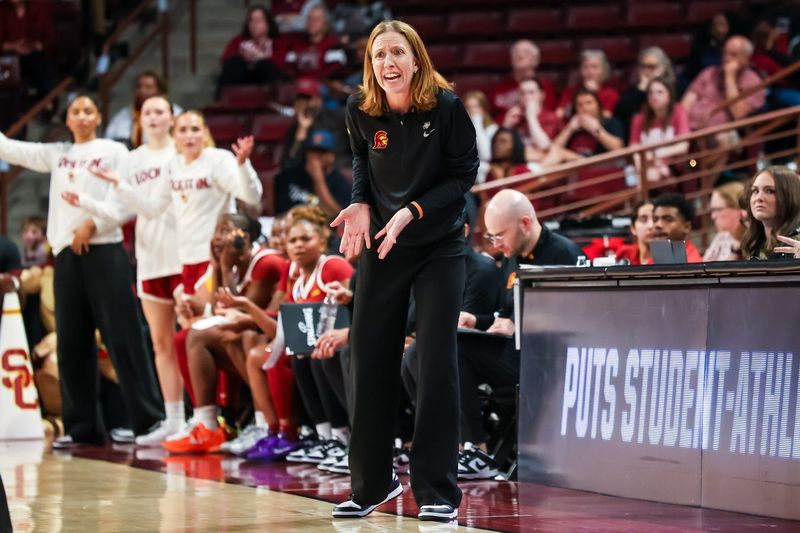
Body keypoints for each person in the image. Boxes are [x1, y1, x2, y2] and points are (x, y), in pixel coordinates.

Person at [331, 20, 478, 522]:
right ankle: (372, 484)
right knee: (367, 356)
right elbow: (359, 156)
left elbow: (464, 174)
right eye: (378, 55)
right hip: (383, 243)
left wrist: (411, 210)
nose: (388, 64)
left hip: (437, 244)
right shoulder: (359, 108)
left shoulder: (446, 107)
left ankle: (437, 491)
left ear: (417, 59)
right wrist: (359, 203)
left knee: (435, 362)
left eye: (397, 53)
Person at [0, 95, 164, 447]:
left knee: (123, 337)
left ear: (99, 117)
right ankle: (82, 427)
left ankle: (148, 421)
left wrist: (91, 223)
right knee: (72, 340)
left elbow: (125, 199)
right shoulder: (59, 153)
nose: (83, 116)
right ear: (69, 119)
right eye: (76, 111)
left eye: (89, 110)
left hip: (104, 249)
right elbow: (12, 149)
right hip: (66, 255)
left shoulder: (115, 151)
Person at [62, 95, 186, 446]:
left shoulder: (183, 151)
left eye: (161, 110)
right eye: (147, 111)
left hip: (186, 254)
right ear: (138, 119)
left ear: (171, 117)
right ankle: (173, 420)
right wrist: (86, 206)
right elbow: (121, 210)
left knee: (190, 338)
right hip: (150, 255)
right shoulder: (131, 160)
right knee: (161, 342)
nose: (154, 117)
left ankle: (204, 416)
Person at [459, 189, 581, 478]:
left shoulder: (565, 254)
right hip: (513, 350)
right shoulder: (513, 255)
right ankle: (467, 447)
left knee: (455, 349)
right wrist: (476, 320)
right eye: (490, 236)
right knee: (447, 344)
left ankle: (476, 450)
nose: (495, 243)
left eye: (499, 235)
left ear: (525, 223)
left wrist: (522, 326)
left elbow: (577, 321)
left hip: (545, 360)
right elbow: (505, 314)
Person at [681, 36, 765, 132]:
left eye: (733, 54)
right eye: (725, 53)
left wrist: (730, 77)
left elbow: (738, 114)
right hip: (691, 128)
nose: (726, 58)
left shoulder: (754, 82)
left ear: (746, 58)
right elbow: (686, 104)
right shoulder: (709, 73)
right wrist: (682, 127)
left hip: (722, 133)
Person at [274, 128, 351, 218]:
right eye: (313, 152)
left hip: (323, 228)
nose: (317, 158)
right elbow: (278, 212)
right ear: (306, 154)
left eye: (322, 152)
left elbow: (337, 216)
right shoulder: (288, 176)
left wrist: (318, 179)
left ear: (332, 156)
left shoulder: (339, 181)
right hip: (292, 226)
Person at [630, 77, 690, 184]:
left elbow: (683, 146)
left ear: (669, 95)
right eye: (650, 93)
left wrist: (655, 156)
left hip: (676, 166)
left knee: (692, 163)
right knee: (637, 177)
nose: (654, 96)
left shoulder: (679, 111)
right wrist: (641, 165)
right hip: (646, 166)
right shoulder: (639, 118)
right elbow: (634, 149)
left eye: (660, 92)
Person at [542, 89, 624, 167]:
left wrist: (596, 130)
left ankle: (532, 174)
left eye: (589, 103)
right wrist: (569, 129)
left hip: (600, 167)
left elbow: (618, 149)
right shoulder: (573, 127)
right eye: (580, 105)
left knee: (559, 153)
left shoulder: (610, 122)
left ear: (598, 105)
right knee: (538, 155)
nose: (584, 108)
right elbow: (552, 150)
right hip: (575, 169)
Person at [217, 5, 283, 100]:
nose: (254, 24)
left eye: (259, 20)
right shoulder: (238, 40)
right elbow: (225, 59)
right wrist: (244, 57)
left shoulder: (277, 42)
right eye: (251, 20)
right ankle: (222, 103)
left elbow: (280, 63)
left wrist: (260, 56)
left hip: (265, 78)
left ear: (268, 24)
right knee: (235, 63)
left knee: (265, 64)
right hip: (242, 76)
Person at [105, 71, 183, 148]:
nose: (142, 91)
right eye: (139, 87)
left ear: (160, 91)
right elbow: (108, 141)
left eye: (148, 87)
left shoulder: (176, 113)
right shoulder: (122, 116)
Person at [615, 47, 675, 143]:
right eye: (643, 66)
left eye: (652, 67)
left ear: (663, 68)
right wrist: (641, 91)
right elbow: (622, 112)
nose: (647, 71)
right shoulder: (633, 93)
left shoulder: (673, 89)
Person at [488, 40, 557, 123]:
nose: (520, 55)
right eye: (516, 52)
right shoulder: (498, 89)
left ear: (536, 60)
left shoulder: (546, 86)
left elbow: (550, 118)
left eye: (526, 52)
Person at [0, 0, 54, 102]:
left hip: (33, 54)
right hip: (8, 58)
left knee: (38, 63)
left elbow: (50, 39)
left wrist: (35, 45)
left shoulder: (39, 6)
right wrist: (14, 46)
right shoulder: (2, 10)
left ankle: (48, 104)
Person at [741, 166, 800, 260]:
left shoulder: (797, 242)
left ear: (790, 196)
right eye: (755, 191)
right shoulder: (756, 243)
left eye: (769, 191)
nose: (758, 198)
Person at [280, 5, 348, 82]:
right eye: (310, 19)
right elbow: (288, 68)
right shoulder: (295, 43)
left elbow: (335, 71)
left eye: (316, 19)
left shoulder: (334, 44)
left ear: (325, 24)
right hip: (298, 85)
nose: (312, 22)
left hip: (323, 87)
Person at [502, 79, 561, 162]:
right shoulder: (515, 118)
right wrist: (506, 126)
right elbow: (499, 150)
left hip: (544, 165)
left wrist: (531, 117)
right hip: (518, 164)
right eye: (522, 93)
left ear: (542, 95)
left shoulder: (551, 117)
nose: (526, 96)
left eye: (531, 92)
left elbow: (544, 147)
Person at [556, 50, 619, 120]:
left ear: (603, 70)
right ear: (580, 70)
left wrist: (592, 93)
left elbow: (607, 116)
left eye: (594, 67)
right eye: (585, 67)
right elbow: (559, 114)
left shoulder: (611, 94)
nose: (590, 72)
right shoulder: (570, 91)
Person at [651, 193, 704, 263]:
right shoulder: (656, 257)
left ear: (687, 227)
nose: (658, 225)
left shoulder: (692, 266)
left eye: (668, 219)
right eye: (655, 220)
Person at [704, 181, 747, 261]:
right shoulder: (721, 237)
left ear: (738, 208)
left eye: (718, 210)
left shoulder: (752, 241)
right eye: (712, 211)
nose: (713, 216)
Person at [463, 91, 498, 184]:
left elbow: (486, 155)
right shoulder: (460, 130)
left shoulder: (492, 129)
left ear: (484, 108)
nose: (472, 110)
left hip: (485, 175)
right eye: (468, 107)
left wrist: (477, 123)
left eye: (476, 106)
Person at [616, 201, 655, 265]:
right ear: (633, 228)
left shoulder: (670, 259)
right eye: (643, 219)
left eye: (655, 219)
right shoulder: (625, 254)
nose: (651, 225)